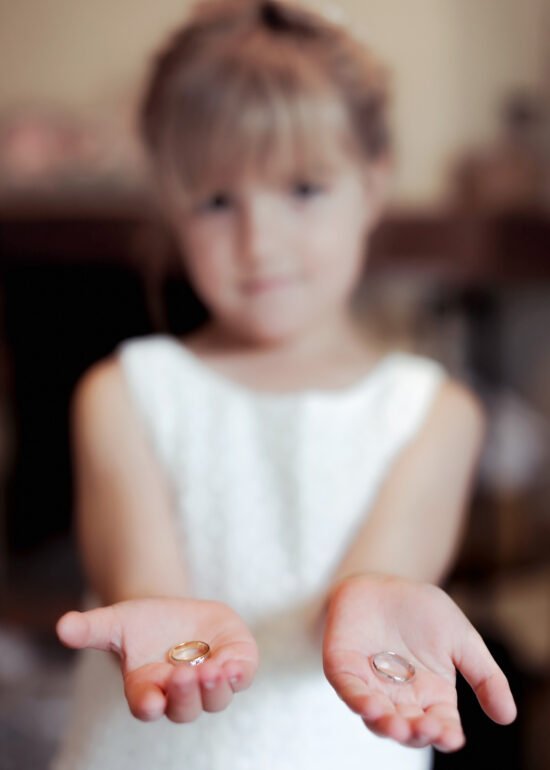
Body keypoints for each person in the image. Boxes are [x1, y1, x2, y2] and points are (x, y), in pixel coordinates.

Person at [53, 1, 517, 768]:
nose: (259, 241)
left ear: (374, 183)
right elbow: (144, 587)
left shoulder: (435, 413)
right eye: (216, 201)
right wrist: (170, 640)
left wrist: (376, 606)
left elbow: (382, 577)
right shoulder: (123, 392)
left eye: (303, 190)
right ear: (172, 209)